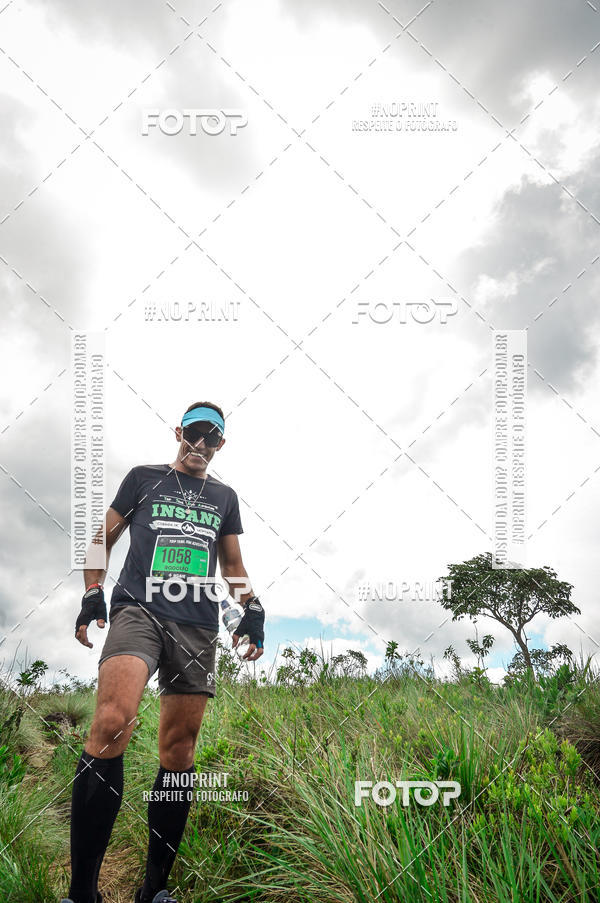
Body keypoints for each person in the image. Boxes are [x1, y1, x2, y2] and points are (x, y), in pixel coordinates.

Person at [61, 401, 265, 903]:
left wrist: (253, 607)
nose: (201, 443)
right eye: (194, 433)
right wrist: (93, 591)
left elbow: (231, 565)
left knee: (179, 750)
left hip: (197, 623)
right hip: (139, 610)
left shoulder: (224, 497)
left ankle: (153, 889)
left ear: (221, 444)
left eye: (212, 437)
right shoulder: (143, 478)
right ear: (179, 432)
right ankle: (83, 892)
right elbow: (103, 539)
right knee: (112, 723)